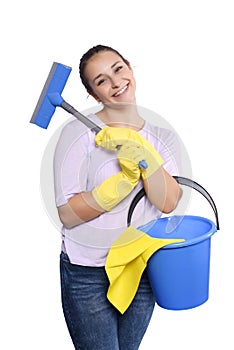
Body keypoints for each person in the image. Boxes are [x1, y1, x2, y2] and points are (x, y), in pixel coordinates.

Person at [54, 44, 182, 350]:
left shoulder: (162, 137)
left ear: (130, 68)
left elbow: (168, 202)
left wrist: (143, 154)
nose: (114, 82)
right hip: (88, 274)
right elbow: (68, 215)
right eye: (100, 81)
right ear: (94, 94)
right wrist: (121, 184)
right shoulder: (77, 135)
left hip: (141, 267)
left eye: (117, 68)